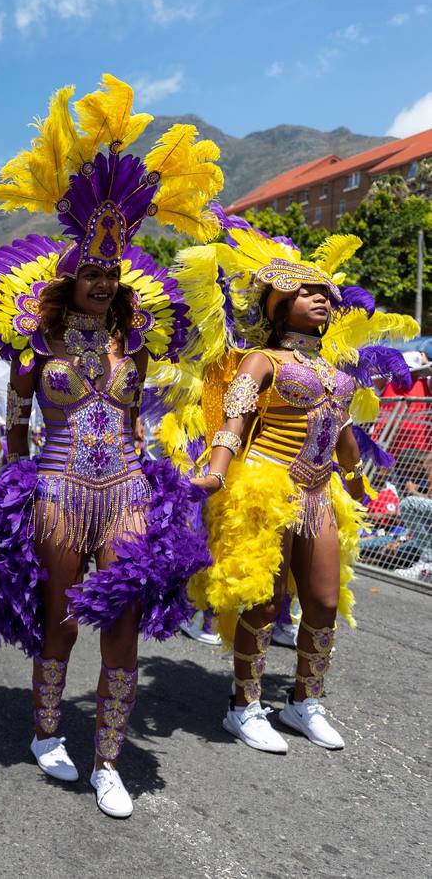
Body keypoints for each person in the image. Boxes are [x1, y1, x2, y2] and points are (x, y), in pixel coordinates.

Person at [0, 75, 222, 818]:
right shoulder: (33, 347)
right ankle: (47, 729)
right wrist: (10, 480)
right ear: (68, 276)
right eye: (90, 270)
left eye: (111, 272)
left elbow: (146, 419)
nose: (101, 279)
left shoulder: (136, 349)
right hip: (54, 491)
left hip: (123, 495)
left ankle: (107, 758)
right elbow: (14, 424)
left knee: (120, 620)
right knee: (59, 617)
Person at [183, 206, 417, 756]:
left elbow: (344, 432)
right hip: (265, 488)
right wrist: (216, 472)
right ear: (278, 302)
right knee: (262, 604)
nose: (322, 298)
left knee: (323, 602)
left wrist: (359, 484)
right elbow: (236, 420)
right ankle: (244, 706)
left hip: (319, 492)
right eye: (308, 291)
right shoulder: (259, 361)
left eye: (326, 293)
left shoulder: (338, 372)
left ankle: (303, 700)